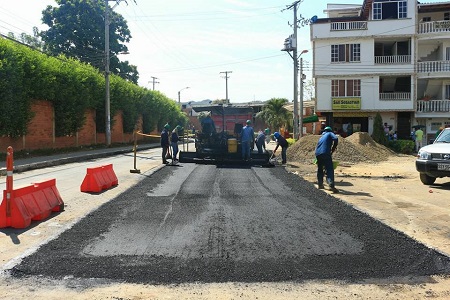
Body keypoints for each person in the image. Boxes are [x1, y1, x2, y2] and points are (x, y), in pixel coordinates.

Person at [315, 126, 339, 193]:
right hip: (325, 153)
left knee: (320, 169)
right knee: (329, 168)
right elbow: (336, 138)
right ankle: (331, 184)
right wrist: (333, 148)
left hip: (318, 154)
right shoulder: (329, 133)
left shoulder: (321, 137)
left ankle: (320, 184)